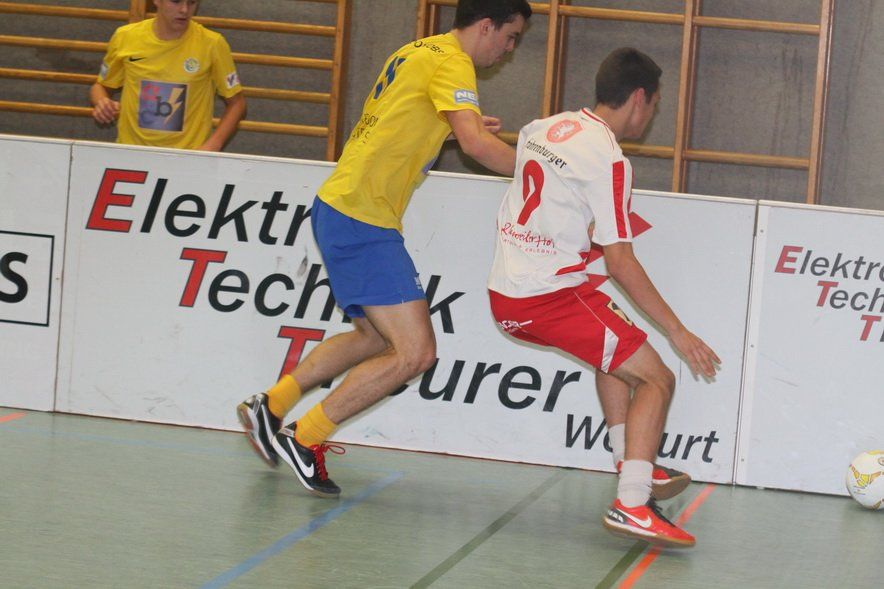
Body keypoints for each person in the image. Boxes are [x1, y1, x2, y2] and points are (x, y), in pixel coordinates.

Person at [237, 0, 532, 497]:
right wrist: (542, 171)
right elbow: (477, 146)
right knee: (416, 353)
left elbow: (405, 121)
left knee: (374, 337)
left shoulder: (418, 49)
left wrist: (457, 126)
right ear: (487, 25)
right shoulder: (453, 63)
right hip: (362, 217)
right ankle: (304, 438)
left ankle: (272, 405)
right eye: (510, 36)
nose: (509, 49)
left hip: (342, 205)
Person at [486, 48, 720, 548]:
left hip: (507, 291)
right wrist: (678, 332)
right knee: (657, 377)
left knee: (613, 347)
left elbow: (526, 181)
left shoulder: (543, 127)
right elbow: (621, 263)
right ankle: (633, 503)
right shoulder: (609, 159)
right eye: (654, 105)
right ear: (639, 98)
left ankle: (627, 458)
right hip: (546, 296)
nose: (651, 114)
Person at [89, 0, 246, 151]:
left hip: (187, 155)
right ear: (157, 1)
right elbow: (100, 86)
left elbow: (237, 103)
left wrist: (213, 145)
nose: (184, 10)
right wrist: (102, 102)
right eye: (175, 1)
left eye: (192, 2)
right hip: (132, 151)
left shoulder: (212, 44)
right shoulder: (125, 36)